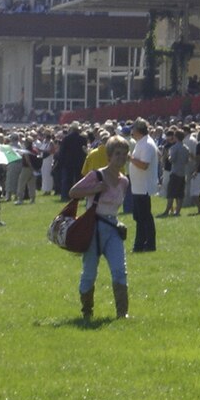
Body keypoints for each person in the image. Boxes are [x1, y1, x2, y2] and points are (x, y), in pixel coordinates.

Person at [69, 138, 132, 320]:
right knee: (90, 271)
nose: (120, 158)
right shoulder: (97, 176)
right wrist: (94, 189)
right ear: (109, 156)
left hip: (113, 228)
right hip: (93, 228)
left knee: (120, 269)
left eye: (124, 154)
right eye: (117, 154)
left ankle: (122, 313)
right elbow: (73, 192)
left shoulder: (124, 181)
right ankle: (87, 311)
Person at [128, 120, 157, 252]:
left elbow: (144, 165)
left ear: (138, 130)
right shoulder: (142, 142)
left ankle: (149, 244)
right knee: (139, 217)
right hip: (138, 187)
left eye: (133, 129)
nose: (131, 132)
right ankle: (139, 243)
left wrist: (130, 158)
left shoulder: (147, 144)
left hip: (143, 187)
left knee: (145, 217)